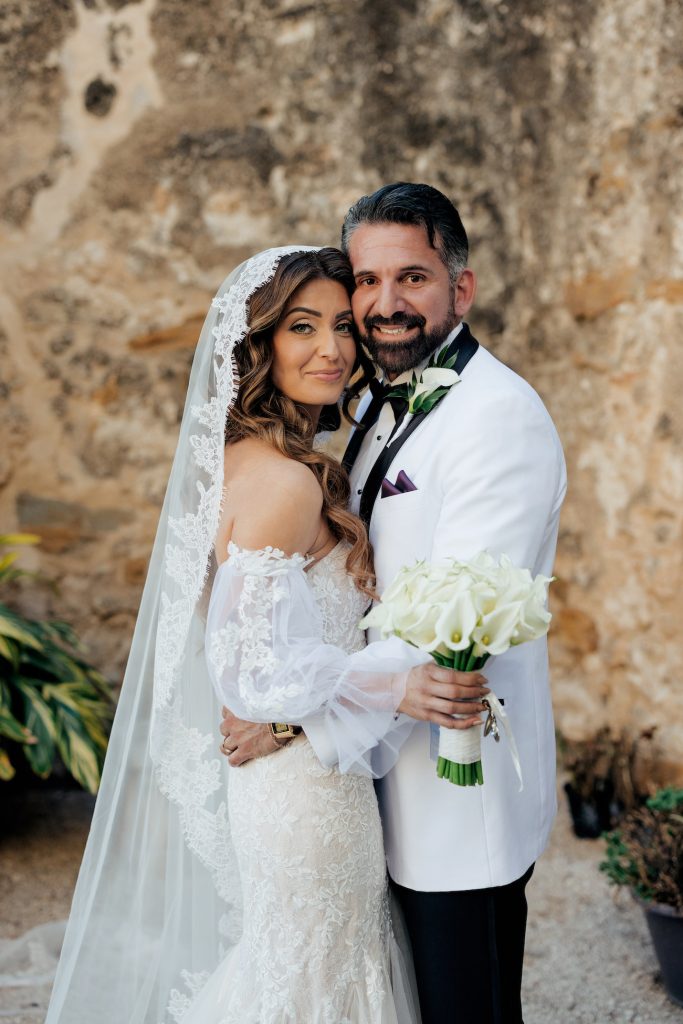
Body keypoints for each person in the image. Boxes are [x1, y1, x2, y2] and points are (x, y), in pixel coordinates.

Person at [44, 244, 487, 1024]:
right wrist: (399, 685)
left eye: (343, 327)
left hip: (292, 778)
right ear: (259, 346)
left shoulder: (243, 461)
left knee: (302, 973)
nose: (331, 349)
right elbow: (252, 669)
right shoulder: (284, 483)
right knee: (318, 979)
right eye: (301, 327)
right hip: (308, 794)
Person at [219, 184, 568, 1024]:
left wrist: (289, 718)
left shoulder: (497, 418)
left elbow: (456, 619)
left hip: (454, 791)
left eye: (411, 277)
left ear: (461, 287)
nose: (383, 305)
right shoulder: (375, 397)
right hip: (368, 775)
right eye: (366, 282)